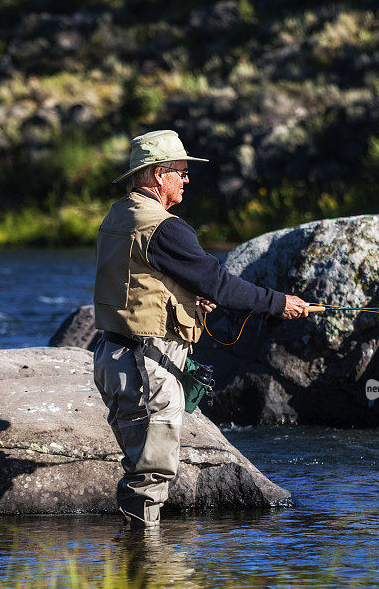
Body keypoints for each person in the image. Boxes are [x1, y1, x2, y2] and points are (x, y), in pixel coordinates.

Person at [93, 129, 308, 527]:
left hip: (112, 357)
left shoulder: (120, 214)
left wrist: (187, 298)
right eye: (181, 171)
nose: (187, 179)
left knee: (140, 467)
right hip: (147, 366)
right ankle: (146, 574)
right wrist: (279, 303)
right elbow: (219, 283)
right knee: (150, 477)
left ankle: (135, 569)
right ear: (159, 174)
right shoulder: (165, 226)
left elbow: (139, 277)